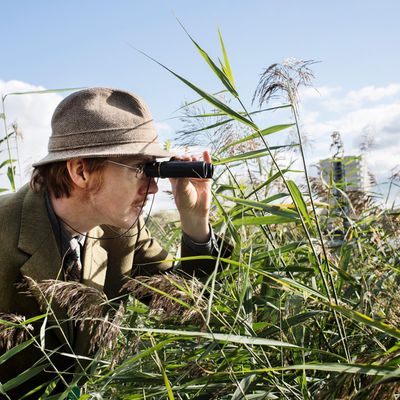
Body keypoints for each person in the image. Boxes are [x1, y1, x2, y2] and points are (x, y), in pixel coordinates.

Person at [0, 87, 224, 398]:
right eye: (141, 170)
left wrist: (195, 222)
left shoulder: (122, 231)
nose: (152, 190)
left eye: (155, 171)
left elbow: (188, 307)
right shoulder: (3, 232)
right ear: (80, 170)